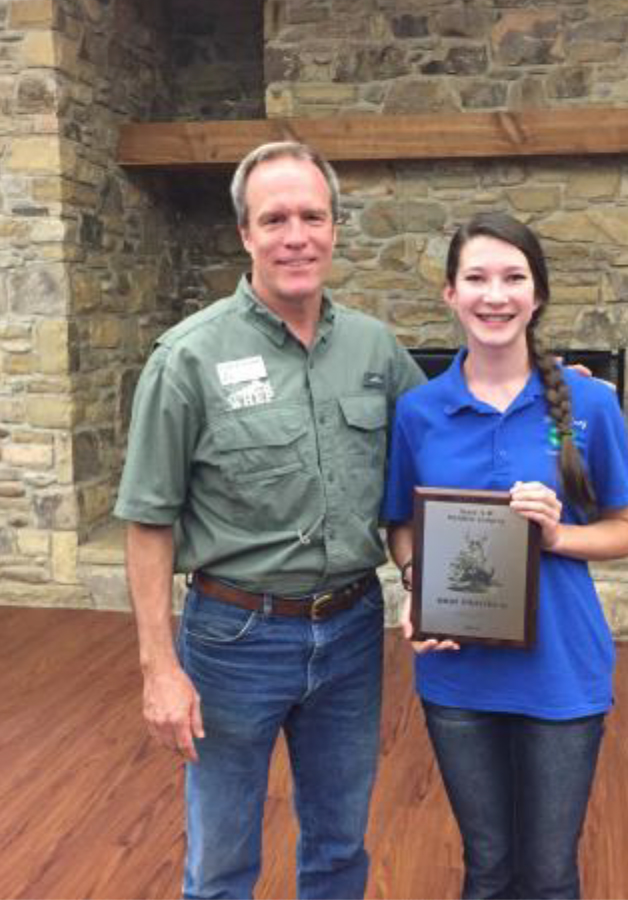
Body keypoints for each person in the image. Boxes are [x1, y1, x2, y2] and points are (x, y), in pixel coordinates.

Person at [114, 141, 424, 899]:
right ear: (245, 234)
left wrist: (546, 386)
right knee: (220, 863)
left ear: (335, 227)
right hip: (233, 641)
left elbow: (441, 442)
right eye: (274, 218)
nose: (296, 236)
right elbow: (148, 521)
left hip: (350, 632)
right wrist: (160, 668)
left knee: (339, 849)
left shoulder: (375, 350)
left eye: (311, 216)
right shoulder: (186, 359)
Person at [382, 212, 628, 900]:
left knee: (550, 874)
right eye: (476, 278)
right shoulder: (418, 411)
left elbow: (626, 528)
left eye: (512, 278)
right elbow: (401, 526)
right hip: (457, 676)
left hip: (562, 671)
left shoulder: (589, 403)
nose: (493, 295)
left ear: (537, 294)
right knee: (488, 865)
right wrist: (414, 583)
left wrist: (558, 537)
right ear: (449, 293)